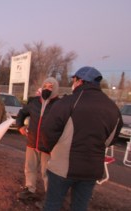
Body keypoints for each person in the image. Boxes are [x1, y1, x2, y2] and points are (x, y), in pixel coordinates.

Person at [41, 67, 123, 211]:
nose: (73, 83)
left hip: (62, 168)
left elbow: (48, 131)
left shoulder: (68, 102)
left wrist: (53, 150)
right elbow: (111, 139)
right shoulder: (113, 108)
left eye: (74, 80)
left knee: (52, 205)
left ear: (81, 81)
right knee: (80, 207)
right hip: (91, 171)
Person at [15, 77, 60, 201]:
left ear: (55, 88)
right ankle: (30, 189)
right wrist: (20, 126)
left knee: (47, 173)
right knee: (30, 168)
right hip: (32, 142)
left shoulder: (59, 105)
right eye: (45, 86)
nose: (47, 89)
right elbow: (22, 113)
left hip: (48, 147)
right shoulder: (35, 102)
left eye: (50, 87)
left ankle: (50, 196)